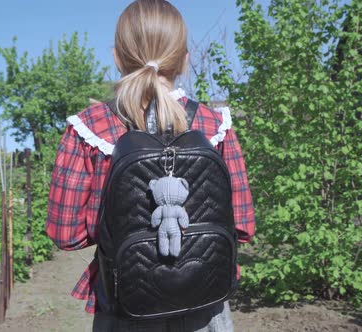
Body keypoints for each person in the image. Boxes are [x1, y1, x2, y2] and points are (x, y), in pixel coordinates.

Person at [45, 0, 255, 330]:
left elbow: (65, 234)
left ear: (117, 57)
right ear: (184, 60)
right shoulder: (216, 127)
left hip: (127, 305)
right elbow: (242, 227)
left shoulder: (88, 129)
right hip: (205, 302)